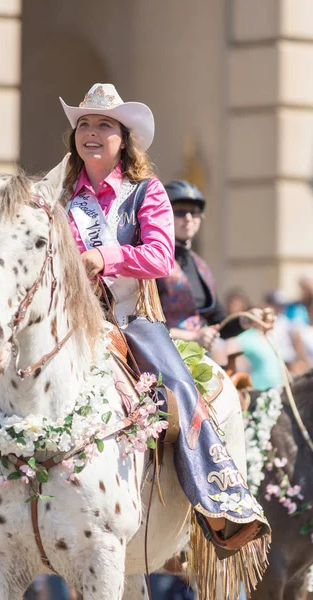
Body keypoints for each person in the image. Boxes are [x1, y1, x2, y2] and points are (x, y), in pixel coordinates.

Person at [59, 83, 269, 564]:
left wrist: (104, 256)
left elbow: (158, 255)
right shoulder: (60, 195)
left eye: (104, 125)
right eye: (84, 125)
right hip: (67, 324)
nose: (91, 133)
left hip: (133, 322)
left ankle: (219, 502)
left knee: (180, 390)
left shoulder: (145, 192)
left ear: (124, 138)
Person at [156, 181, 262, 354]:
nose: (188, 218)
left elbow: (219, 323)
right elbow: (146, 321)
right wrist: (193, 337)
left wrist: (247, 320)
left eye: (194, 212)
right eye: (180, 211)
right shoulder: (152, 260)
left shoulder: (201, 266)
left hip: (200, 356)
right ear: (163, 214)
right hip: (162, 356)